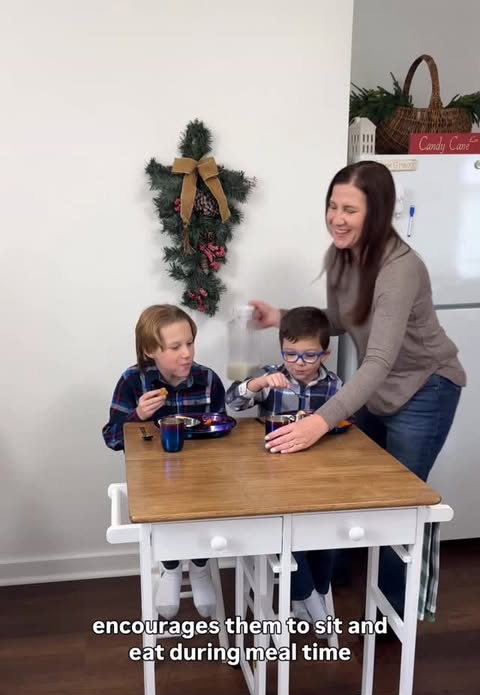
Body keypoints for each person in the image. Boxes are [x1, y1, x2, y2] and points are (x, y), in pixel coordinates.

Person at [250, 160, 466, 616]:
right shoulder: (342, 256)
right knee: (346, 485)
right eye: (332, 205)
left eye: (350, 209)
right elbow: (339, 322)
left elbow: (380, 360)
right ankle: (332, 585)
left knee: (396, 507)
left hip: (426, 389)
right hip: (380, 387)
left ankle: (393, 622)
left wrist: (318, 422)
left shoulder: (400, 269)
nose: (337, 218)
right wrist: (283, 317)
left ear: (378, 213)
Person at [102, 303, 226, 620]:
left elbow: (223, 434)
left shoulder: (208, 380)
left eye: (189, 343)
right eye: (175, 347)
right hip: (155, 483)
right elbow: (112, 438)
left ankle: (199, 569)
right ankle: (170, 570)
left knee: (205, 509)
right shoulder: (132, 382)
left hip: (202, 480)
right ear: (149, 351)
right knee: (163, 516)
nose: (186, 353)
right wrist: (138, 416)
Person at [226, 306, 342, 623]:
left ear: (326, 354)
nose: (298, 363)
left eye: (308, 355)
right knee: (284, 534)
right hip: (273, 479)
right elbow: (232, 402)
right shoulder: (271, 376)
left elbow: (346, 425)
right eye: (290, 354)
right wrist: (257, 384)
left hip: (317, 479)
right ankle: (306, 597)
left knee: (324, 533)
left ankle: (316, 591)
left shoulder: (334, 387)